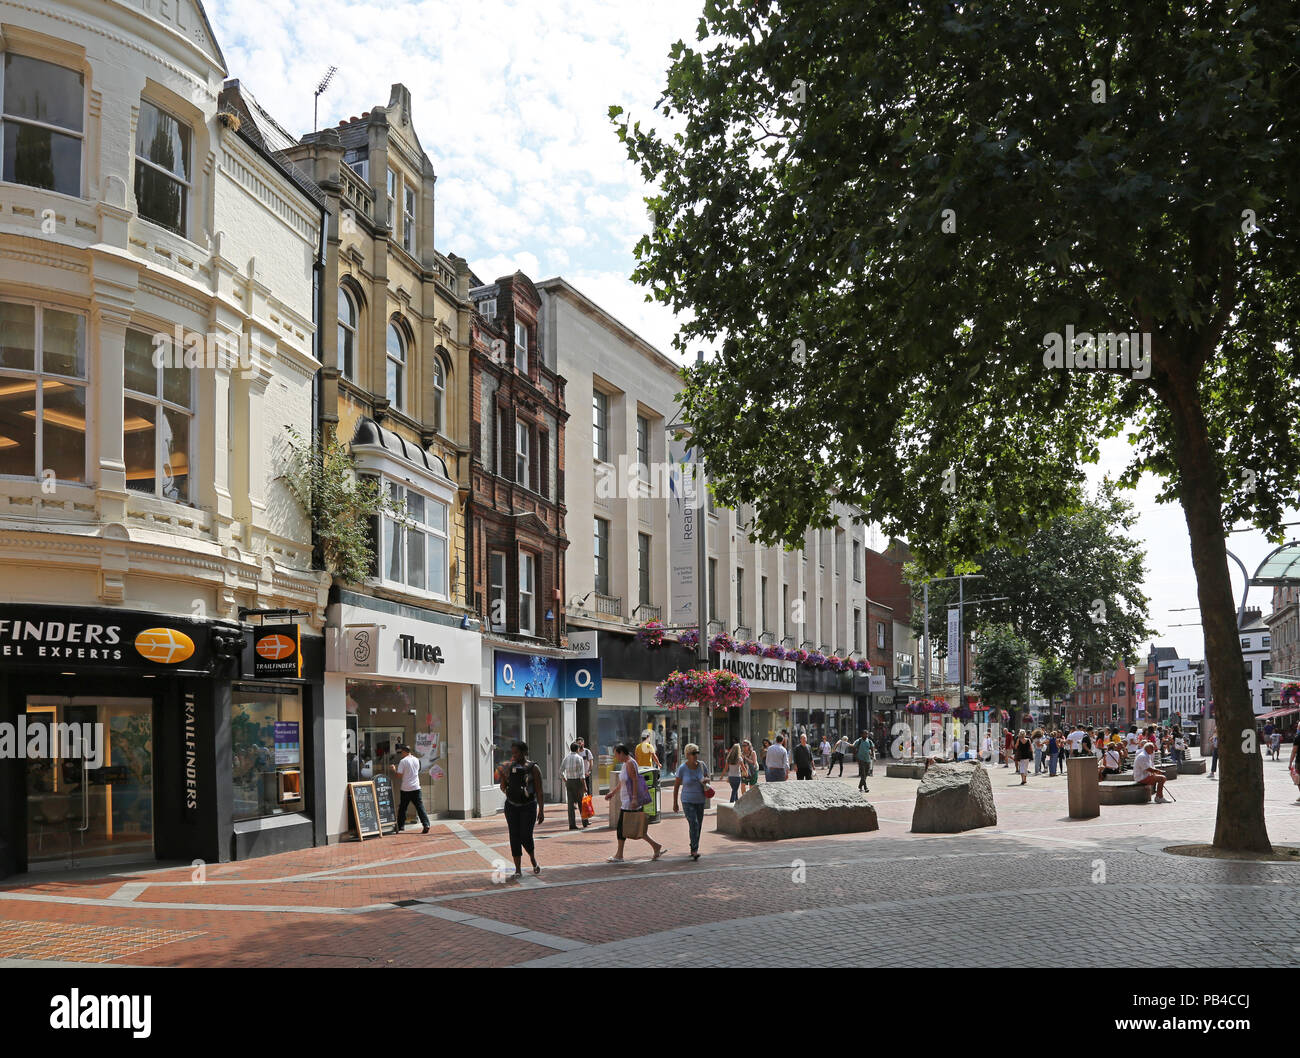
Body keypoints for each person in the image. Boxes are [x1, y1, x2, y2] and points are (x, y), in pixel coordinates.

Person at [605, 742, 666, 863]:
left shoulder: (630, 764)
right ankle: (656, 846)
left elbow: (635, 781)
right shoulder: (625, 764)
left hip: (630, 802)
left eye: (616, 755)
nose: (616, 757)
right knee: (637, 829)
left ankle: (619, 855)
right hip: (627, 801)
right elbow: (622, 782)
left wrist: (633, 798)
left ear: (622, 753)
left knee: (622, 829)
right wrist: (613, 793)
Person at [499, 741, 544, 877]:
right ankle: (517, 870)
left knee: (525, 835)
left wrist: (541, 810)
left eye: (516, 752)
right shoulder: (509, 767)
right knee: (514, 836)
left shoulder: (533, 768)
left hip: (528, 807)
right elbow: (503, 786)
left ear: (524, 752)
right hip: (511, 807)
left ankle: (532, 858)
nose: (514, 755)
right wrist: (504, 782)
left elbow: (539, 791)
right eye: (512, 753)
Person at [673, 743, 711, 860]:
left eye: (697, 753)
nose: (696, 755)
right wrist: (675, 803)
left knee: (698, 825)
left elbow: (708, 778)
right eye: (693, 753)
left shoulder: (702, 765)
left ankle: (693, 846)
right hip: (687, 800)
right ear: (687, 755)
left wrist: (706, 780)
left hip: (700, 800)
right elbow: (676, 786)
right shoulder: (682, 768)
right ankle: (694, 850)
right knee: (693, 823)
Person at [391, 743, 430, 834]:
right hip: (416, 787)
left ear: (404, 752)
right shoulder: (416, 760)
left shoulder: (403, 761)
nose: (401, 754)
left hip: (406, 789)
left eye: (401, 752)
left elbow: (399, 775)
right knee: (420, 807)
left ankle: (401, 826)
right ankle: (426, 824)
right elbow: (417, 771)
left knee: (403, 808)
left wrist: (393, 769)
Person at [561, 741, 589, 830]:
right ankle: (584, 821)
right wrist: (585, 786)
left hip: (569, 782)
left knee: (570, 804)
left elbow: (561, 771)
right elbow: (582, 775)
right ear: (577, 749)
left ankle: (572, 824)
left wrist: (565, 779)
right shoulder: (579, 758)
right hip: (578, 782)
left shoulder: (566, 758)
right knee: (581, 802)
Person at [1289, 735, 1300, 803]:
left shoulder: (1298, 737)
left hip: (1299, 761)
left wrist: (1290, 763)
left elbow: (1294, 751)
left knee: (1298, 779)